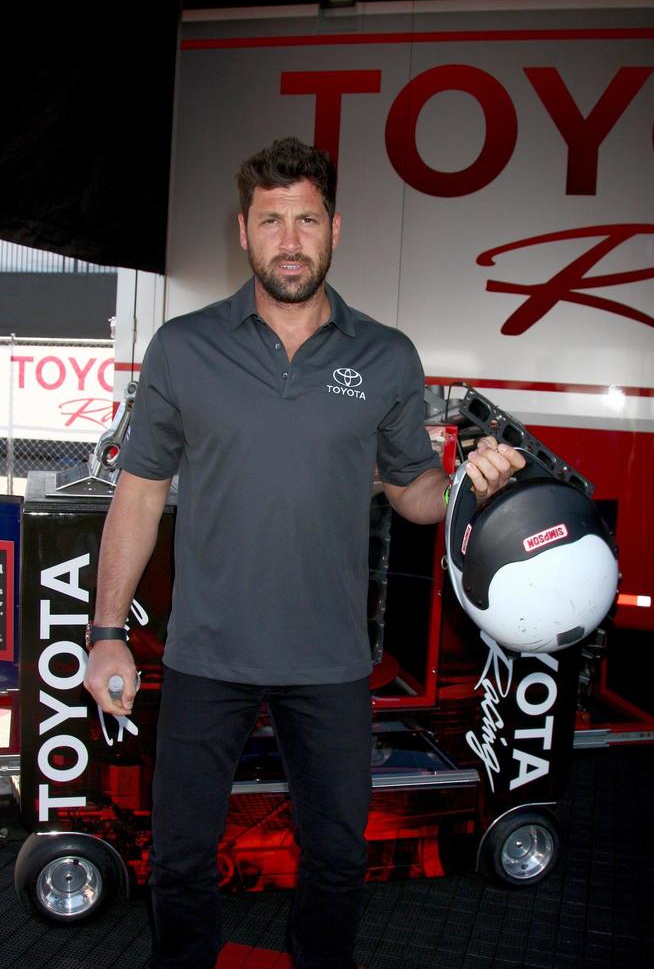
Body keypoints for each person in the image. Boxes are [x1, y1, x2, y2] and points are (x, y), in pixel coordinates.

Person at [83, 136, 525, 969]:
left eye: (307, 220)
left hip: (327, 658)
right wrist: (106, 631)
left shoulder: (385, 356)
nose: (290, 240)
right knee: (178, 859)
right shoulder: (184, 347)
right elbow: (138, 493)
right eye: (272, 220)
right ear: (242, 231)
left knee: (334, 857)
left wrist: (470, 482)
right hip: (207, 652)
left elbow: (414, 495)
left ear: (335, 230)